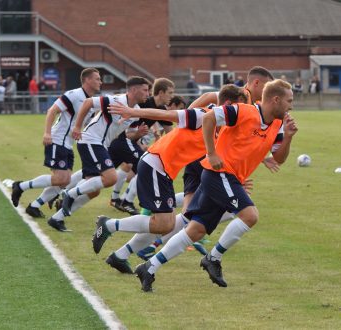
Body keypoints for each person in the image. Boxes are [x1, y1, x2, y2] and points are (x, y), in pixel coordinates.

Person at [133, 79, 298, 292]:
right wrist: (211, 153)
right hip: (219, 174)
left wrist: (289, 138)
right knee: (250, 215)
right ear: (275, 99)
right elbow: (210, 117)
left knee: (195, 230)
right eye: (289, 101)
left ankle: (149, 267)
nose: (291, 106)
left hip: (229, 179)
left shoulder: (277, 123)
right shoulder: (243, 111)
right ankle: (213, 258)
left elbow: (279, 158)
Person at [90, 84, 248, 275]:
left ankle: (120, 256)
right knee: (165, 223)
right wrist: (131, 111)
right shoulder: (202, 115)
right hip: (156, 163)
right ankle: (108, 224)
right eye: (240, 107)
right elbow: (166, 115)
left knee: (163, 223)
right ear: (229, 104)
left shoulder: (220, 128)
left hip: (164, 169)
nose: (242, 113)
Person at [56, 76, 150, 231]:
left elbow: (126, 135)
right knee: (111, 177)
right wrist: (77, 127)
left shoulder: (136, 112)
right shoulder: (115, 100)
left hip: (101, 145)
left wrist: (138, 134)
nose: (148, 94)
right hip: (90, 140)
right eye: (145, 90)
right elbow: (87, 102)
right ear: (133, 90)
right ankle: (69, 193)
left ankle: (57, 218)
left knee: (94, 191)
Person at [10, 68, 102, 221]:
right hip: (57, 140)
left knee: (64, 181)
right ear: (87, 80)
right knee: (61, 179)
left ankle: (34, 206)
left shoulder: (92, 103)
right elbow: (52, 111)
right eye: (97, 78)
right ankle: (20, 186)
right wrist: (47, 133)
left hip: (68, 144)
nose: (101, 82)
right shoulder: (74, 95)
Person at [109, 78, 175, 215]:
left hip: (130, 141)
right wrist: (140, 141)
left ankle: (117, 199)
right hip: (120, 140)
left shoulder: (161, 110)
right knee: (145, 168)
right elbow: (127, 131)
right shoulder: (144, 104)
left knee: (103, 173)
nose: (172, 96)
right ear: (161, 92)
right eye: (170, 93)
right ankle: (125, 201)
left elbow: (171, 133)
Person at [191, 66, 273, 107]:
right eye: (267, 87)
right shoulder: (237, 95)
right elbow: (208, 96)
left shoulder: (256, 105)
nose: (270, 92)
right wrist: (186, 115)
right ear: (256, 83)